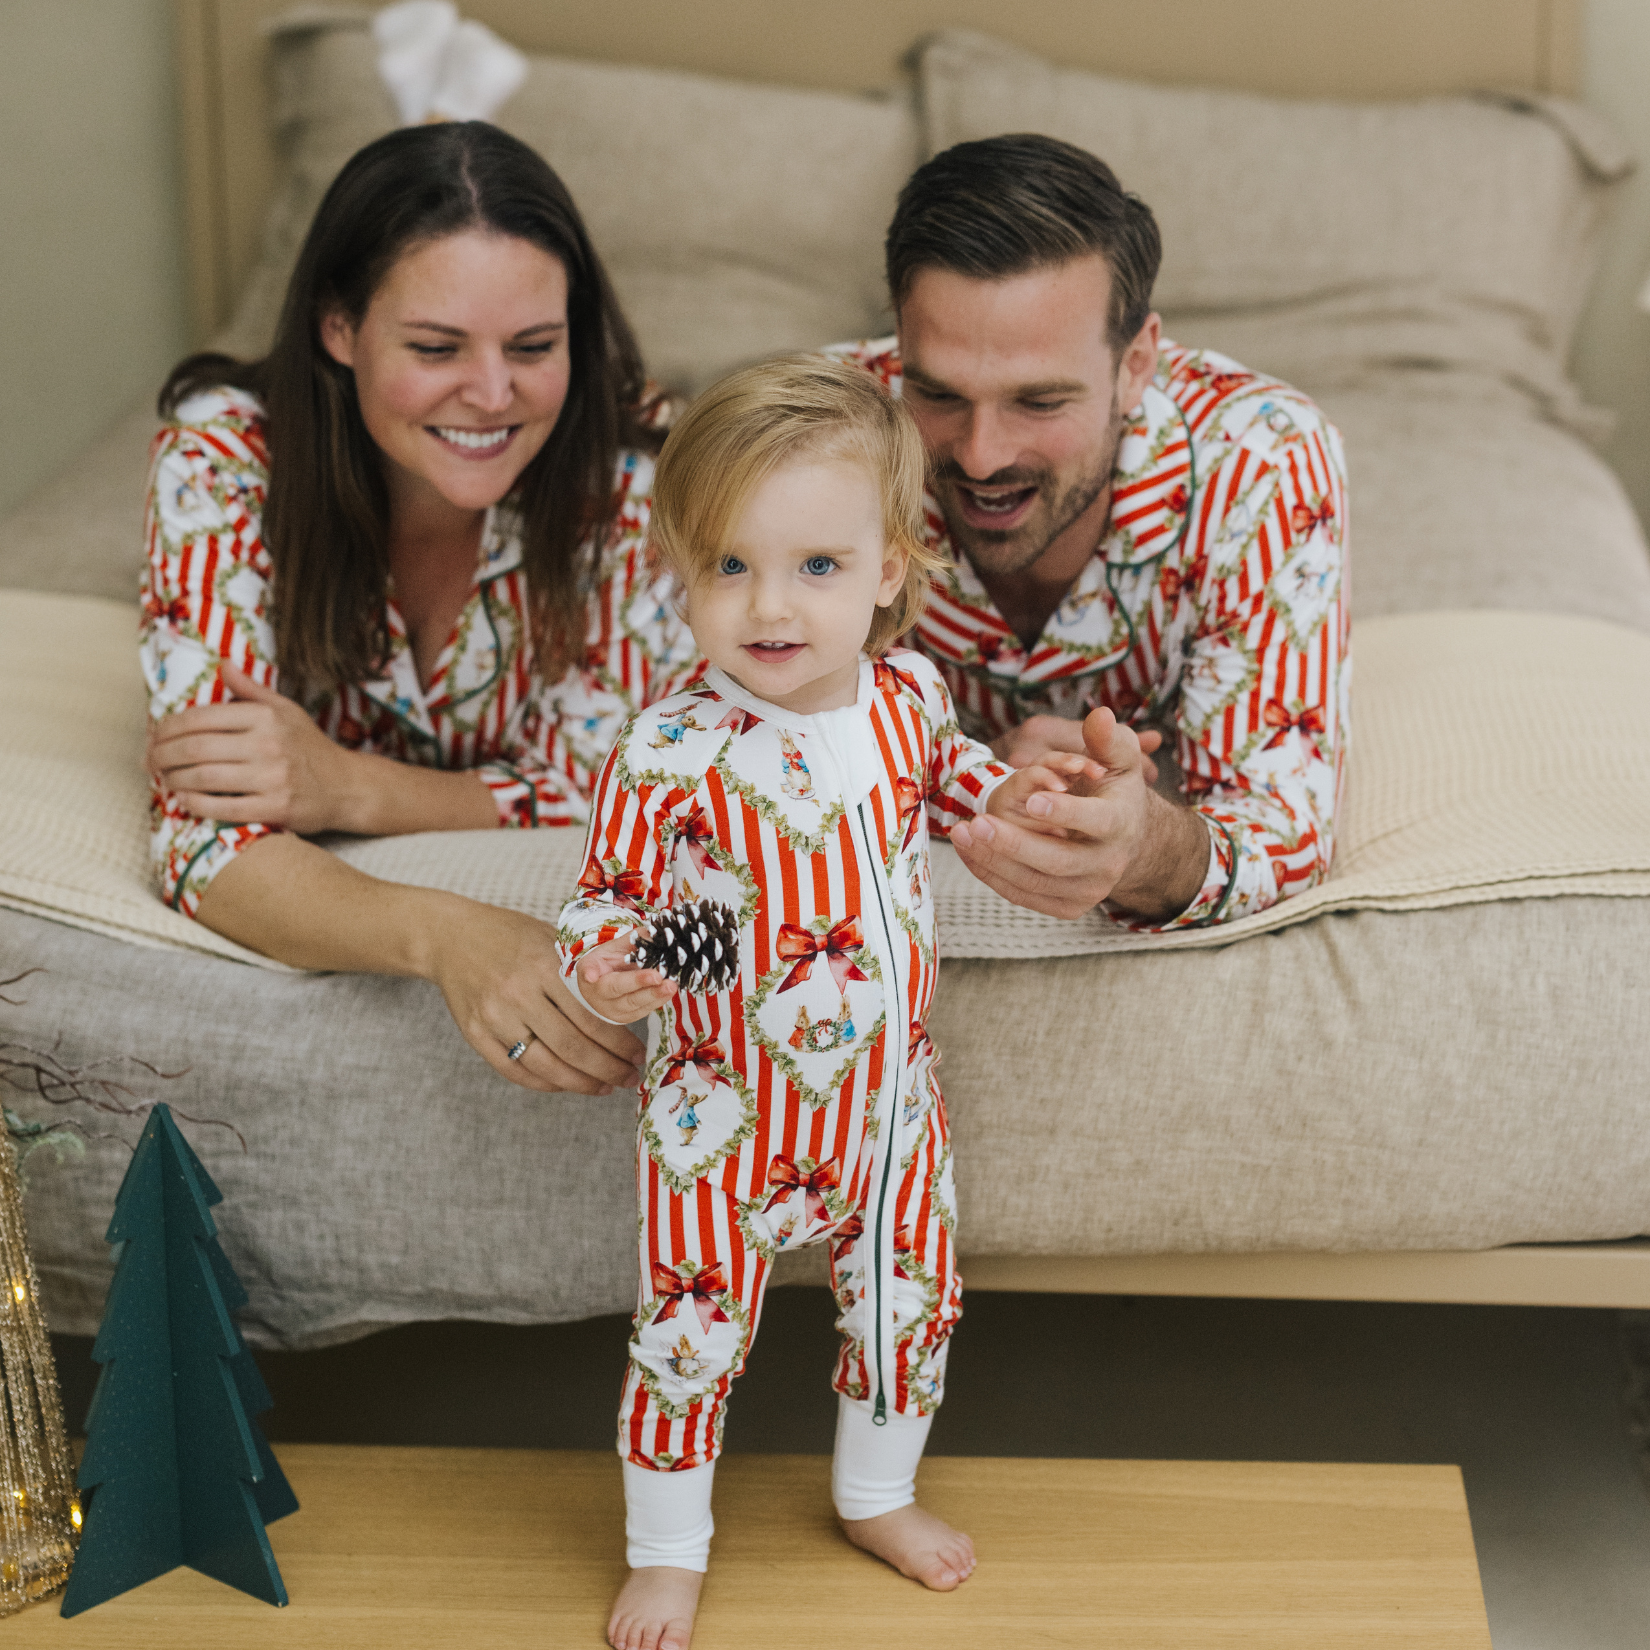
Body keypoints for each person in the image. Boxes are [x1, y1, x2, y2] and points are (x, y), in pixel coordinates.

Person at [557, 355, 1101, 1650]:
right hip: (722, 1113)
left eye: (815, 566)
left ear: (888, 568)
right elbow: (600, 903)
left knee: (911, 1302)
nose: (770, 606)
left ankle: (875, 1493)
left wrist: (1017, 796)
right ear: (678, 573)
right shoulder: (669, 748)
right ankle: (667, 1549)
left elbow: (956, 780)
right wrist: (609, 966)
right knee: (689, 1332)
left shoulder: (908, 699)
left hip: (889, 1103)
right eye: (729, 566)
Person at [140, 122, 698, 1095]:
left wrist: (349, 788)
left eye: (534, 346)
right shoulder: (220, 463)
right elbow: (203, 841)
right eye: (437, 347)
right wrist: (445, 933)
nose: (492, 393)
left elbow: (615, 784)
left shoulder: (637, 484)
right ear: (338, 328)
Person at [834, 133, 1350, 928]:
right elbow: (714, 749)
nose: (980, 455)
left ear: (1136, 364)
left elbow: (1281, 825)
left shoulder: (1262, 460)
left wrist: (1143, 845)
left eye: (1039, 402)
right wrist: (970, 777)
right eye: (938, 393)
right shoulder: (822, 438)